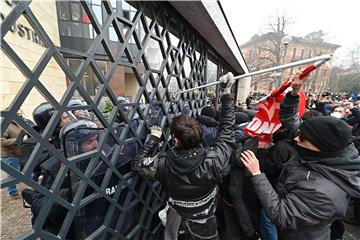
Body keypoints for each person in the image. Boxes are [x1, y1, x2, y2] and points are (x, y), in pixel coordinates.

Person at [132, 72, 235, 239]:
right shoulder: (214, 159)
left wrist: (153, 140)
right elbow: (227, 131)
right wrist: (226, 94)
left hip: (180, 225)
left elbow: (138, 164)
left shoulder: (163, 163)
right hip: (207, 225)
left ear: (175, 139)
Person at [240, 116, 360, 240]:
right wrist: (292, 97)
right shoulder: (322, 156)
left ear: (319, 145)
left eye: (302, 136)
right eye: (299, 133)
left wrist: (257, 174)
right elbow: (291, 122)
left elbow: (282, 215)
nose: (296, 138)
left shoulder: (324, 193)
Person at [0, 109, 24, 199]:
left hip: (18, 152)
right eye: (17, 112)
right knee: (11, 175)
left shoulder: (16, 122)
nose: (19, 114)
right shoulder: (4, 124)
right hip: (9, 154)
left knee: (25, 169)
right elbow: (1, 141)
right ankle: (13, 193)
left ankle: (34, 184)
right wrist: (18, 140)